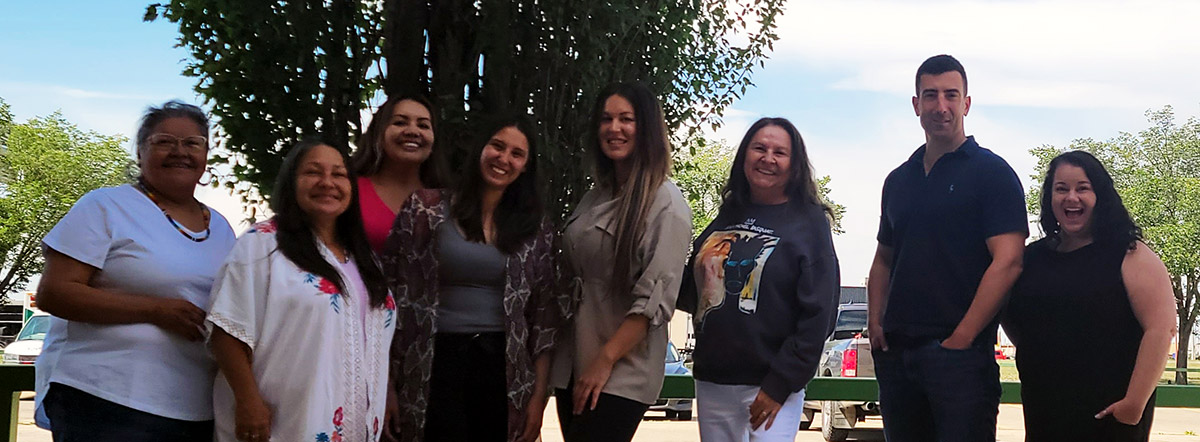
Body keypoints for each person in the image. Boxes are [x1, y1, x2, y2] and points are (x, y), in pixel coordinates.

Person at [34, 101, 237, 441]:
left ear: (206, 155)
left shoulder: (221, 227)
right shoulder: (105, 206)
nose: (179, 152)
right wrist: (155, 310)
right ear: (141, 152)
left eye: (192, 143)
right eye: (164, 142)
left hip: (196, 406)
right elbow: (54, 293)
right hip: (106, 400)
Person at [380, 115, 575, 442]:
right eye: (497, 146)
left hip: (503, 369)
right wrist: (386, 386)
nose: (504, 158)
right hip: (430, 363)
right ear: (480, 149)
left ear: (525, 167)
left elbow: (543, 317)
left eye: (517, 154)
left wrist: (538, 397)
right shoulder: (424, 209)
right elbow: (387, 299)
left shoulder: (535, 228)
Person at [867, 54, 1027, 442]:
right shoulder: (898, 180)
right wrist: (875, 323)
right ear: (916, 104)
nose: (941, 106)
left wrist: (962, 339)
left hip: (960, 362)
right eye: (931, 95)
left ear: (966, 103)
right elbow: (884, 258)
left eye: (951, 95)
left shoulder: (992, 174)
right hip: (898, 358)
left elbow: (1008, 261)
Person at [206, 139, 396, 442]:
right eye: (313, 172)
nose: (327, 182)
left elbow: (370, 339)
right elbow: (227, 330)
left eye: (338, 174)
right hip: (283, 419)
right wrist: (248, 401)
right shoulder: (263, 244)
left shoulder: (364, 259)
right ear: (291, 182)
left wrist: (383, 394)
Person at [677, 117, 840, 441]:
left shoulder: (809, 223)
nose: (768, 158)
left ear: (794, 164)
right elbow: (694, 291)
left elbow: (819, 314)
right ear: (744, 156)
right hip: (713, 381)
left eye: (780, 152)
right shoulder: (728, 214)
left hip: (770, 387)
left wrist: (780, 384)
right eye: (759, 148)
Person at [549, 82, 692, 442]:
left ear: (647, 129)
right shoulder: (594, 197)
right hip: (573, 360)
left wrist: (604, 361)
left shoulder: (666, 203)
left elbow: (653, 302)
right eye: (606, 119)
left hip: (620, 369)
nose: (614, 128)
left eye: (626, 119)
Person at [1004, 151, 1177, 442]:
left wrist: (1134, 404)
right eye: (1061, 189)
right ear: (1050, 198)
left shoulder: (1130, 253)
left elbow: (1161, 328)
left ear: (1100, 195)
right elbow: (1015, 319)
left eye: (1083, 188)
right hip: (1044, 411)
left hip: (1110, 417)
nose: (1071, 198)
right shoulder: (1032, 257)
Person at [351, 94, 441, 252]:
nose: (413, 131)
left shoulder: (449, 200)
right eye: (400, 122)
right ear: (379, 133)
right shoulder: (350, 190)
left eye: (423, 125)